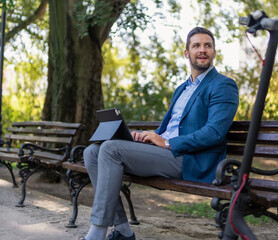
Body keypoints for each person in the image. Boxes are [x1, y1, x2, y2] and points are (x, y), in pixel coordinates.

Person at [81, 27, 239, 240]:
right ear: (187, 53)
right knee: (92, 152)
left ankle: (96, 235)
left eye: (207, 46)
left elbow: (214, 133)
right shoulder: (182, 89)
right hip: (167, 152)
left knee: (110, 149)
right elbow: (168, 129)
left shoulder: (223, 85)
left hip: (191, 159)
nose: (202, 50)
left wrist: (167, 143)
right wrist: (145, 135)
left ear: (214, 52)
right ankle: (123, 231)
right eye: (196, 46)